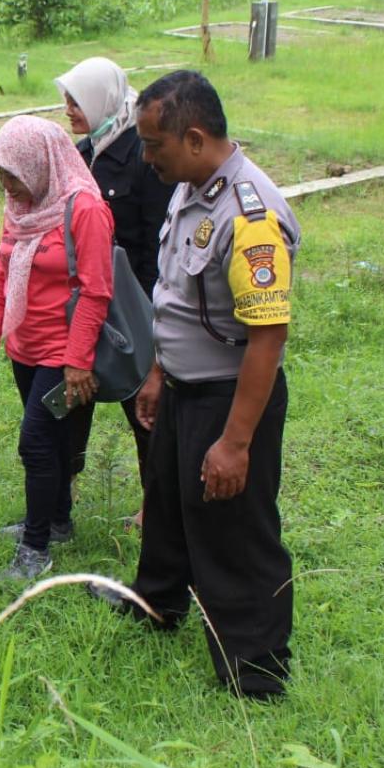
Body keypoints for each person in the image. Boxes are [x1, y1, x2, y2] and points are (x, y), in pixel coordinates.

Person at [90, 70, 299, 699]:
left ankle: (255, 671)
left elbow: (267, 338)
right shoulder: (190, 185)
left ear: (197, 138)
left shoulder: (249, 217)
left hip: (228, 397)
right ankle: (157, 604)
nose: (145, 157)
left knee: (232, 528)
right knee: (170, 511)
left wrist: (235, 442)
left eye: (154, 146)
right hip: (183, 387)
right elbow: (175, 295)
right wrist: (158, 372)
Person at [0, 115, 113, 581]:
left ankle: (35, 549)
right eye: (1, 174)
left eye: (12, 174)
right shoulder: (21, 208)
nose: (5, 186)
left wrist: (77, 361)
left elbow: (96, 291)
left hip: (62, 352)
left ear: (39, 164)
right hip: (25, 347)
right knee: (49, 442)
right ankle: (58, 521)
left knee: (34, 443)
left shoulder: (85, 209)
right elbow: (2, 272)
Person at [53, 57, 177, 531]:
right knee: (72, 397)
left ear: (102, 98)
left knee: (143, 409)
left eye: (77, 100)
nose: (68, 109)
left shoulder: (141, 155)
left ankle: (154, 506)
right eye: (66, 99)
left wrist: (148, 312)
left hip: (131, 301)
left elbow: (155, 240)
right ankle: (61, 494)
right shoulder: (84, 152)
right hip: (86, 300)